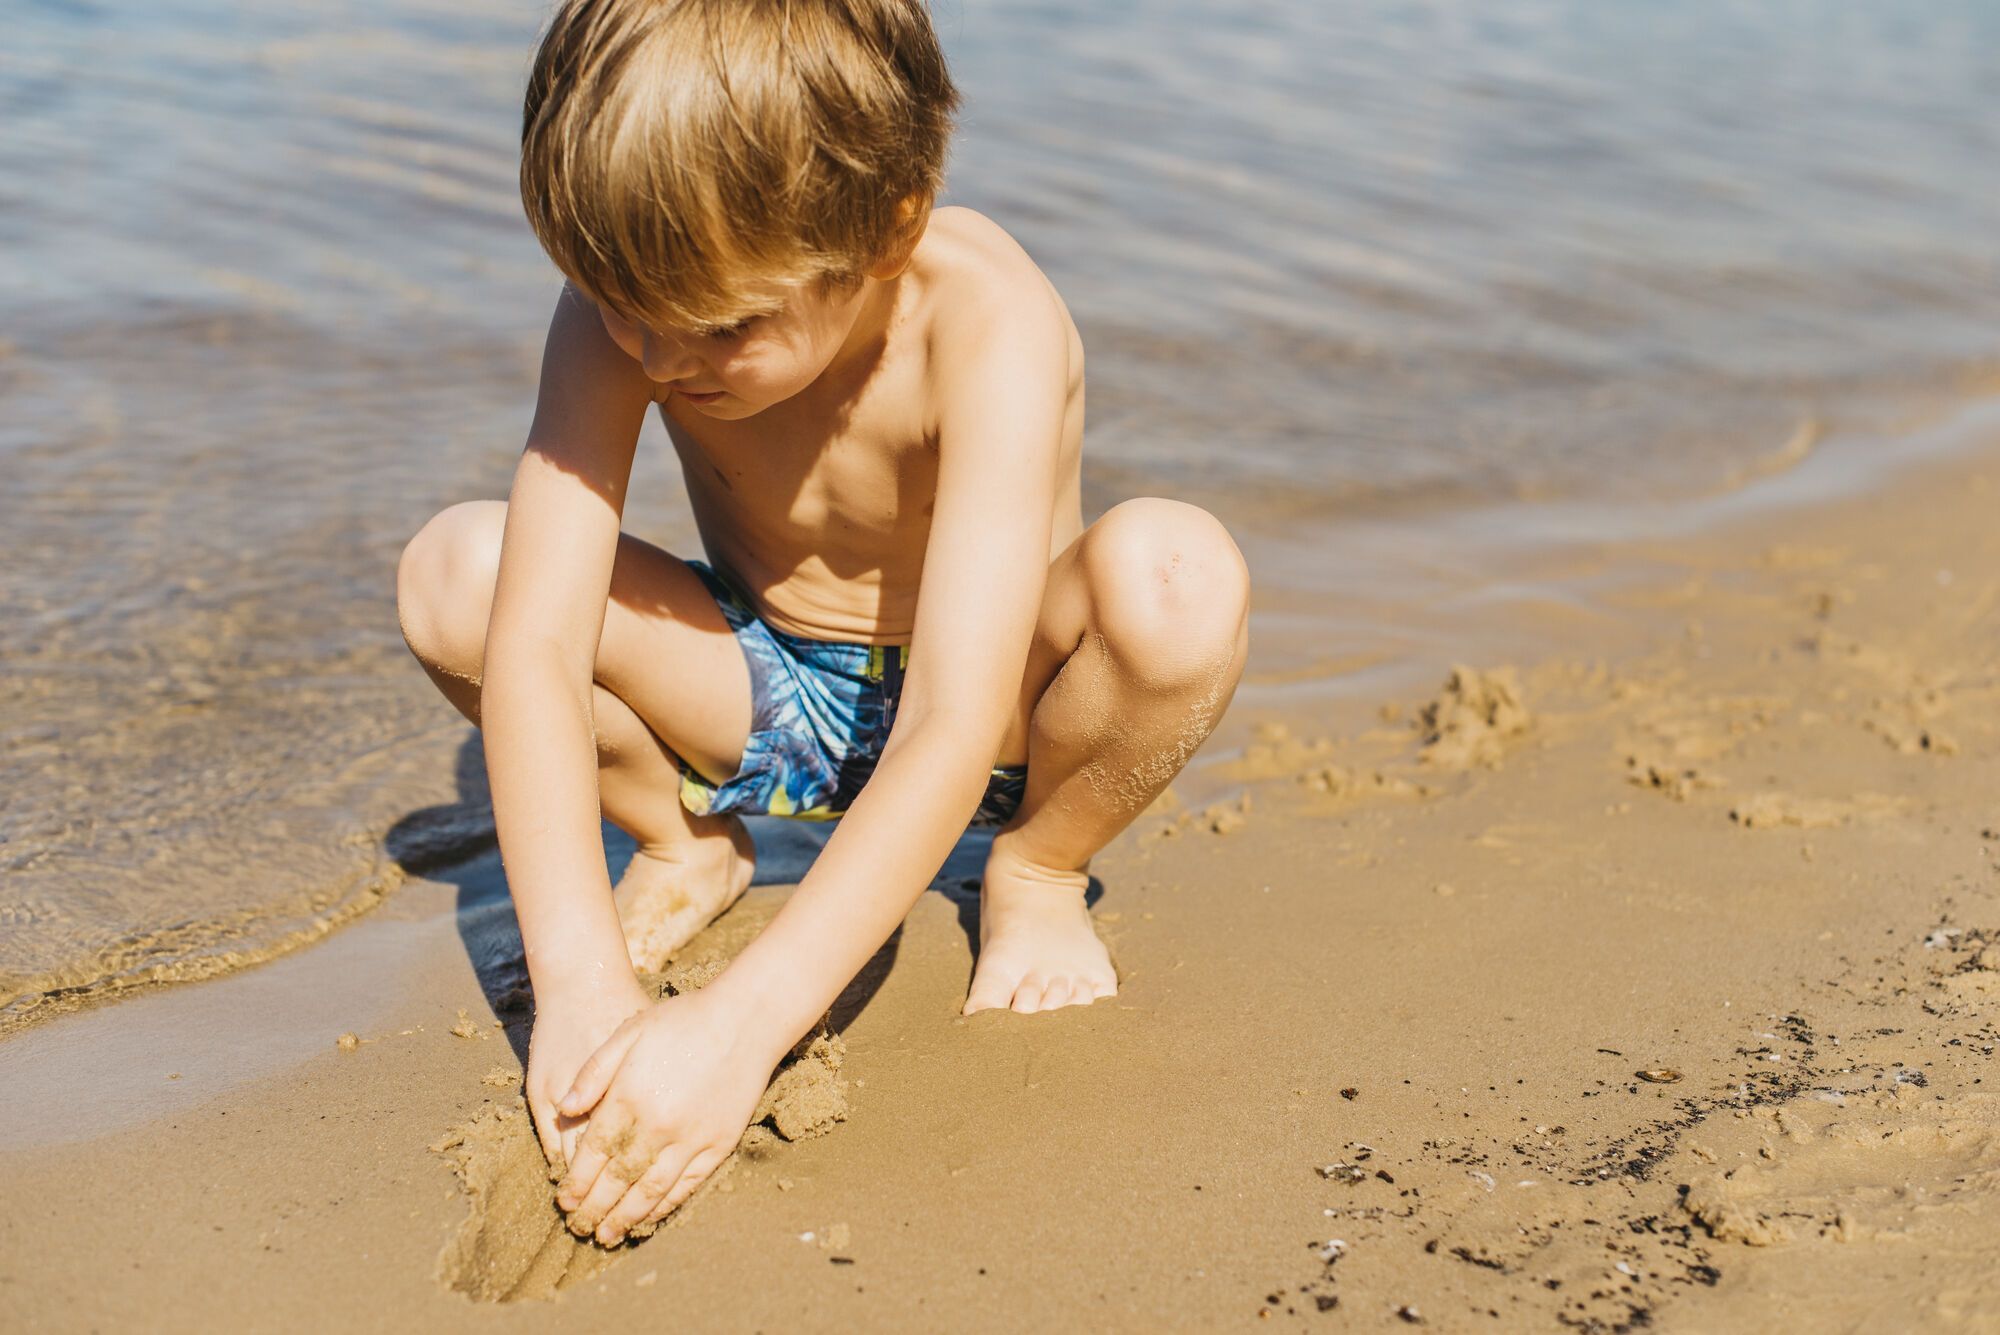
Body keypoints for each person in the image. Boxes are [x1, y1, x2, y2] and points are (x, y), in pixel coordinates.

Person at [395, 0, 1248, 1247]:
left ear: (888, 229)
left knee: (1176, 578)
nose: (656, 353)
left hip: (992, 704)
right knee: (458, 574)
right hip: (760, 681)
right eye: (618, 303)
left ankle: (1037, 870)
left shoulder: (984, 320)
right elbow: (530, 645)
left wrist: (738, 1029)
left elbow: (952, 719)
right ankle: (690, 844)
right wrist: (577, 990)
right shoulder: (628, 308)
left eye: (722, 327)